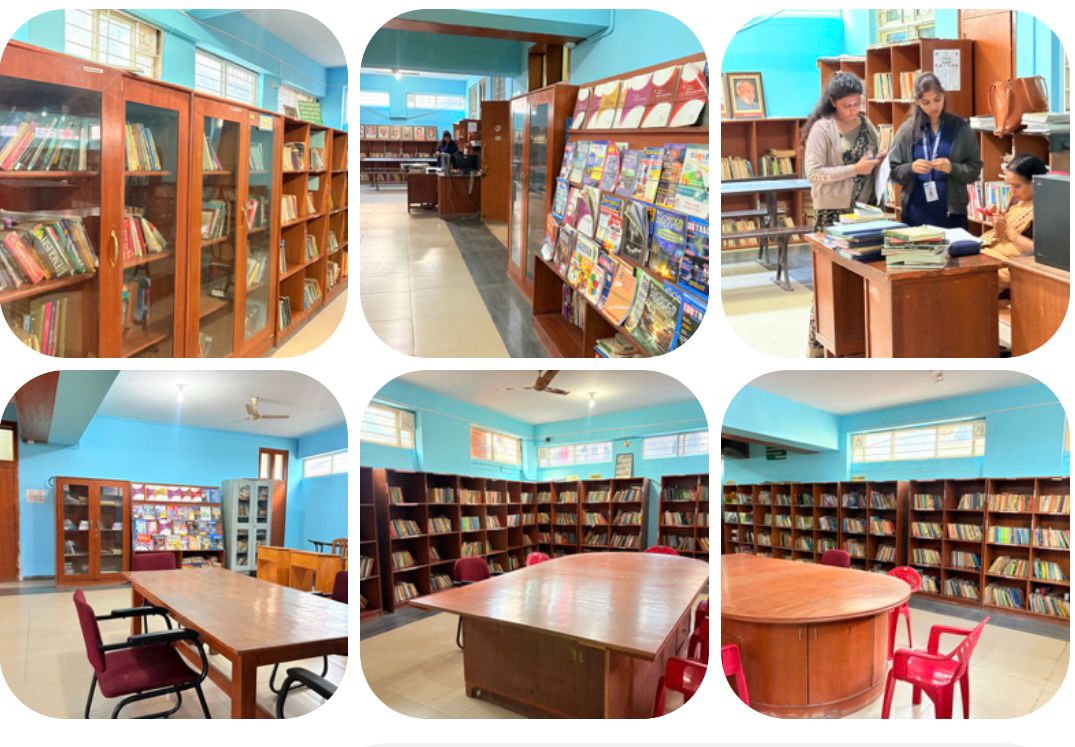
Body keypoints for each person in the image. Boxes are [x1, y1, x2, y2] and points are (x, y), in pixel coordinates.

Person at [802, 71, 884, 356]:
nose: (853, 110)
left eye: (857, 103)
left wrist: (878, 163)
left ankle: (857, 346)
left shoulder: (866, 124)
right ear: (833, 102)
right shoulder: (822, 129)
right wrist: (854, 169)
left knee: (861, 282)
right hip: (833, 216)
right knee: (829, 284)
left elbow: (872, 157)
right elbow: (813, 172)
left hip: (865, 213)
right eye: (847, 105)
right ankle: (819, 348)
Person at [888, 72, 982, 229]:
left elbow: (974, 170)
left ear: (943, 95)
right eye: (926, 102)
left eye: (937, 99)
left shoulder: (960, 127)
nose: (933, 107)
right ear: (917, 102)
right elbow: (893, 171)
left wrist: (952, 168)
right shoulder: (907, 130)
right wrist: (911, 168)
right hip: (915, 212)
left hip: (952, 215)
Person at [978, 153, 1049, 290]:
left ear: (1035, 182)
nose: (1012, 191)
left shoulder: (1047, 209)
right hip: (994, 252)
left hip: (1016, 264)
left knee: (973, 279)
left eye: (1016, 186)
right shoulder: (1019, 200)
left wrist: (1008, 230)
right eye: (1009, 185)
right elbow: (1003, 233)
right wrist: (998, 219)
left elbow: (1043, 252)